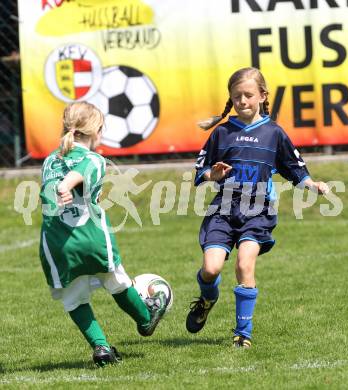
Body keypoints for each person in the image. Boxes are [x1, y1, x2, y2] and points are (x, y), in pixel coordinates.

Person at [185, 67, 329, 348]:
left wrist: (314, 186)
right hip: (223, 211)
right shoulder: (222, 133)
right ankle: (207, 299)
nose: (242, 101)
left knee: (244, 263)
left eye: (248, 95)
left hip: (258, 211)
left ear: (263, 95)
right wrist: (211, 176)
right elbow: (200, 169)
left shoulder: (274, 133)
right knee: (211, 269)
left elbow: (295, 170)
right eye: (236, 96)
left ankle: (243, 334)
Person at [39, 102, 167, 367]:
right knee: (117, 282)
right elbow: (81, 171)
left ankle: (101, 348)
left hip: (57, 242)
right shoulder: (96, 159)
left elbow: (53, 188)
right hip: (91, 237)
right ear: (96, 130)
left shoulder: (50, 159)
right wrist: (67, 184)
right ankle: (146, 318)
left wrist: (59, 189)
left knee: (74, 299)